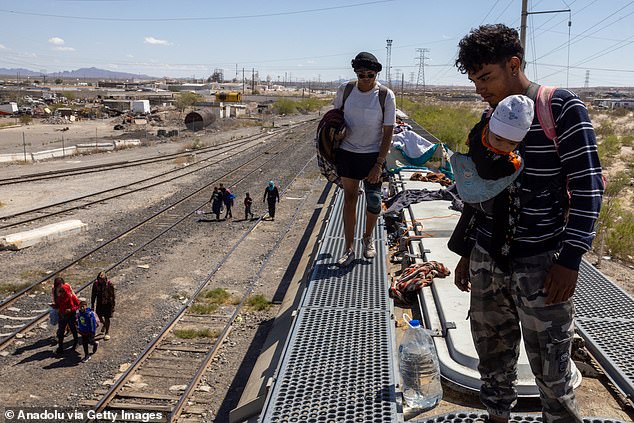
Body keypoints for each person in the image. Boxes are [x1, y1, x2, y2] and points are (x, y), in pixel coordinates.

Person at [449, 24, 603, 423]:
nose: (480, 89)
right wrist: (467, 252)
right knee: (492, 364)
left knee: (553, 373)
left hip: (542, 267)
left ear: (513, 64)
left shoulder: (562, 109)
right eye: (474, 81)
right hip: (488, 261)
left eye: (486, 77)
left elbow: (588, 189)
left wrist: (569, 260)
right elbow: (481, 192)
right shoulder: (490, 119)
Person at [451, 94, 534, 271]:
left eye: (511, 143)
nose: (503, 146)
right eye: (498, 139)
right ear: (489, 129)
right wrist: (513, 166)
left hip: (474, 190)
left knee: (471, 213)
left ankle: (459, 243)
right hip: (492, 191)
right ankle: (501, 252)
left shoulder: (482, 131)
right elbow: (487, 172)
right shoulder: (482, 144)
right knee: (508, 216)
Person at [333, 51, 396, 267]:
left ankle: (368, 239)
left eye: (370, 74)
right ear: (356, 74)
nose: (366, 79)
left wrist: (379, 163)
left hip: (372, 155)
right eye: (362, 74)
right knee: (349, 200)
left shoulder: (385, 95)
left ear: (376, 74)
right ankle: (348, 248)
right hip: (348, 153)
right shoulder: (346, 90)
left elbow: (388, 131)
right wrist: (336, 133)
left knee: (374, 201)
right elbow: (335, 117)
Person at [53, 276, 79, 355]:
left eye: (63, 291)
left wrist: (71, 310)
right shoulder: (60, 298)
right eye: (61, 291)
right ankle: (60, 347)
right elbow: (58, 305)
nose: (61, 293)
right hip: (62, 316)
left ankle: (75, 343)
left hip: (71, 316)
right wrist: (54, 306)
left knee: (73, 329)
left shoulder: (71, 297)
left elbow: (78, 305)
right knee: (61, 332)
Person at [91, 271, 115, 341]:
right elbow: (93, 295)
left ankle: (107, 332)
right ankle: (104, 324)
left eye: (101, 279)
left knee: (107, 318)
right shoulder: (95, 284)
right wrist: (92, 304)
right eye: (99, 279)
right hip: (99, 303)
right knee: (98, 316)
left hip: (108, 303)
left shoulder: (110, 284)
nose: (100, 281)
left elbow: (113, 296)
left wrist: (113, 306)